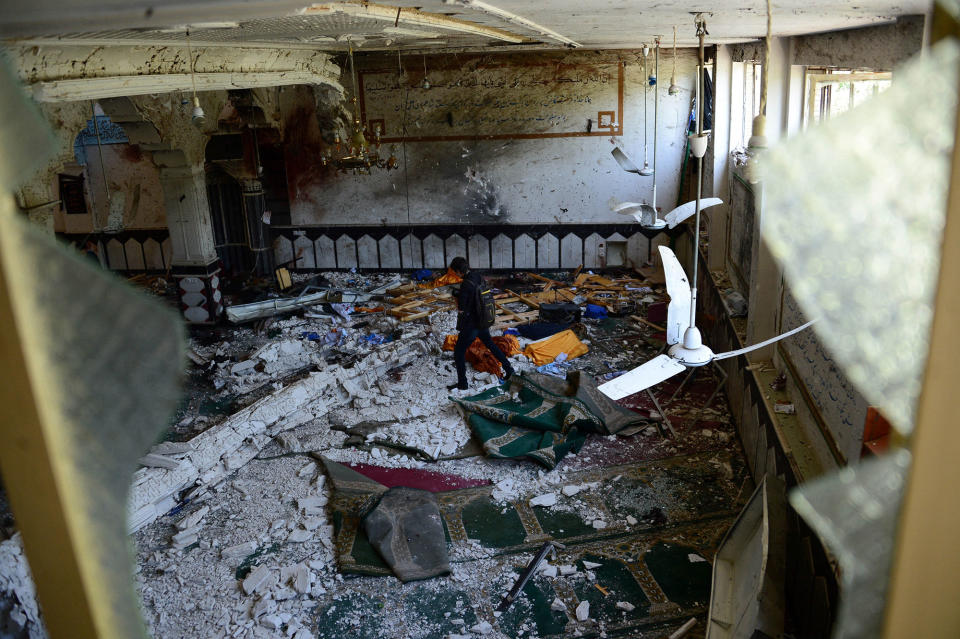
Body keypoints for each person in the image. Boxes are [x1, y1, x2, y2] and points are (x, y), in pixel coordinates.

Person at [447, 256, 514, 391]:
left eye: (455, 272)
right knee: (490, 344)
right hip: (483, 321)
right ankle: (510, 370)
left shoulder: (466, 284)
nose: (455, 274)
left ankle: (463, 384)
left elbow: (462, 308)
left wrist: (456, 297)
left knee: (459, 351)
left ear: (459, 271)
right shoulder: (477, 276)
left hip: (472, 325)